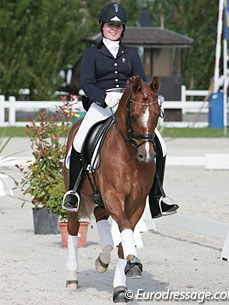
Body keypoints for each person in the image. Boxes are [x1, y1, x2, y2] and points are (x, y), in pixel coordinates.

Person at [63, 2, 179, 218]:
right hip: (101, 105)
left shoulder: (131, 53)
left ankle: (157, 197)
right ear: (102, 26)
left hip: (128, 108)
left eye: (118, 26)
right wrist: (105, 96)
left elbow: (142, 83)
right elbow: (86, 84)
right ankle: (74, 192)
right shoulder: (92, 54)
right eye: (110, 25)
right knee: (78, 141)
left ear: (123, 29)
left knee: (160, 145)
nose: (113, 29)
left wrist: (151, 98)